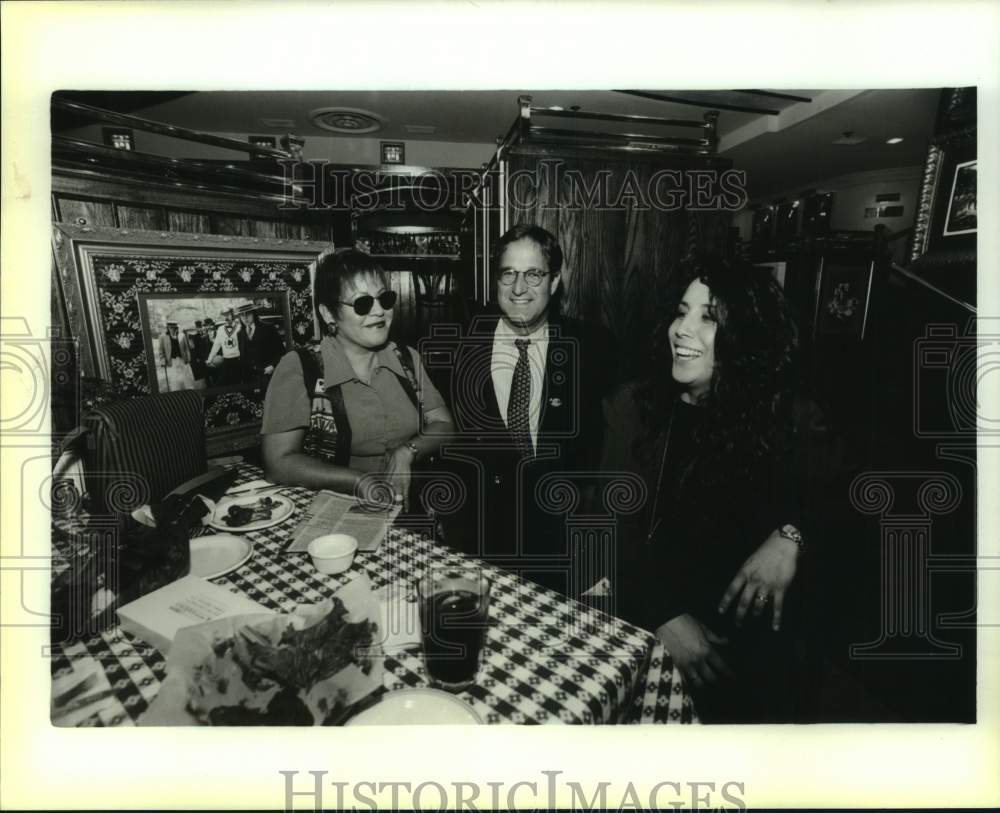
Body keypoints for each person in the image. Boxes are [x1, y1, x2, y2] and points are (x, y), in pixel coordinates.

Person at [601, 255, 807, 722]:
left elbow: (852, 496)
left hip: (753, 657)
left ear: (749, 335)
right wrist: (663, 617)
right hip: (653, 631)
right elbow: (610, 531)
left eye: (708, 317)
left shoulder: (783, 417)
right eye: (681, 312)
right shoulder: (631, 410)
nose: (682, 329)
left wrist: (792, 534)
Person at [445, 224, 617, 594]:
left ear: (555, 281)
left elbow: (625, 445)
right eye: (508, 274)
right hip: (480, 552)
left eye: (533, 274)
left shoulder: (593, 348)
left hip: (565, 556)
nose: (519, 288)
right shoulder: (460, 348)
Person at [261, 248, 455, 506]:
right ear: (329, 314)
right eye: (363, 303)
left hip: (411, 507)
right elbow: (278, 463)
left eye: (384, 299)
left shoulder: (406, 359)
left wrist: (407, 451)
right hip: (335, 513)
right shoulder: (300, 368)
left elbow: (444, 425)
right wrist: (358, 481)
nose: (379, 312)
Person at [239, 305, 285, 382]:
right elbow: (243, 357)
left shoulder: (268, 328)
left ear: (254, 313)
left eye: (248, 314)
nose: (245, 318)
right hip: (249, 378)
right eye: (242, 315)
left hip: (268, 374)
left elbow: (281, 351)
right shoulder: (241, 333)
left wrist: (273, 366)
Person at [207, 308, 246, 386]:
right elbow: (216, 345)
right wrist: (210, 358)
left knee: (239, 383)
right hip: (227, 360)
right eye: (224, 315)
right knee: (223, 384)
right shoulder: (220, 329)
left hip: (238, 360)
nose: (226, 317)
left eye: (228, 315)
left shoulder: (240, 327)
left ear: (232, 315)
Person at [158, 321, 195, 391]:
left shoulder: (182, 335)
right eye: (170, 328)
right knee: (174, 378)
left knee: (187, 376)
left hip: (182, 358)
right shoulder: (163, 337)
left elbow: (187, 348)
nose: (172, 329)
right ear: (168, 328)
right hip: (172, 360)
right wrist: (162, 360)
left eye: (174, 328)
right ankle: (175, 391)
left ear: (177, 328)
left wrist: (189, 358)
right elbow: (161, 350)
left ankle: (190, 390)